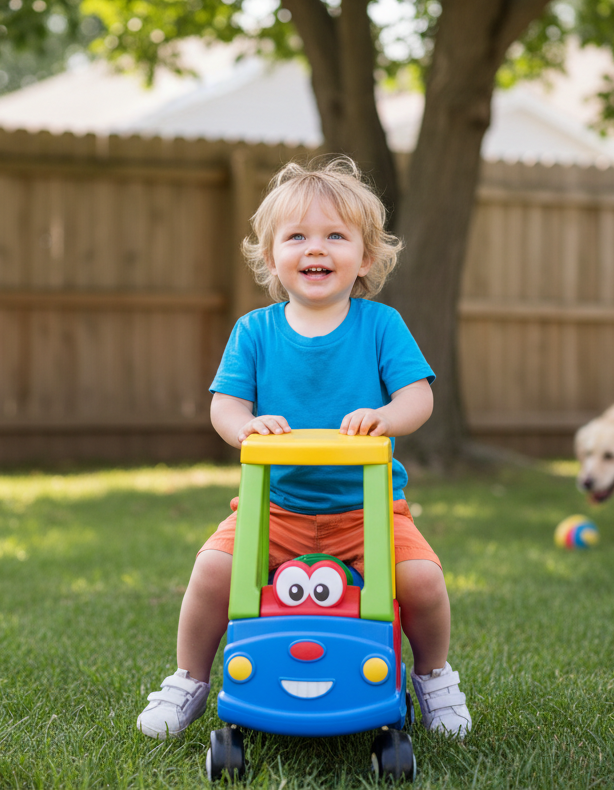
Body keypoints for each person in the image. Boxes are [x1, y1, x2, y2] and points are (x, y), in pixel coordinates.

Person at [136, 158, 471, 740]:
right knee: (213, 570)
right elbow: (224, 405)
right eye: (297, 237)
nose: (316, 249)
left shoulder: (381, 325)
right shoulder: (254, 331)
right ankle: (188, 678)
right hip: (274, 508)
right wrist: (246, 427)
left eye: (336, 236)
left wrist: (385, 416)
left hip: (367, 511)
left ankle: (434, 676)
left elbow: (420, 399)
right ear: (272, 258)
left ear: (365, 258)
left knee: (421, 580)